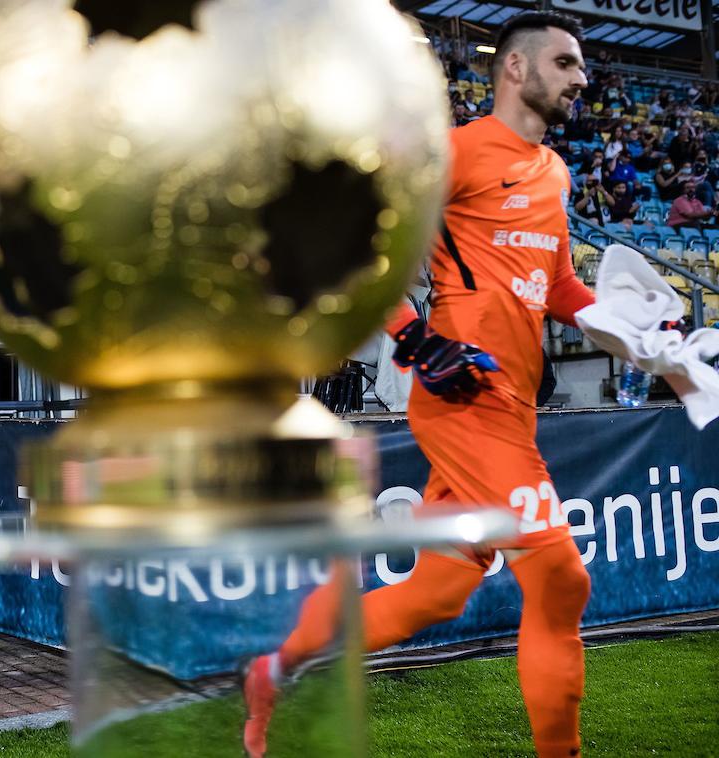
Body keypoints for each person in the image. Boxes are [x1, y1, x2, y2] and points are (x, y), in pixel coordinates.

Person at [243, 13, 596, 758]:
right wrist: (411, 333)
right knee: (561, 579)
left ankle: (275, 668)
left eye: (581, 65)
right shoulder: (458, 153)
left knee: (434, 595)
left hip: (515, 407)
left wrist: (639, 330)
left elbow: (559, 283)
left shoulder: (556, 172)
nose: (581, 78)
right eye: (565, 62)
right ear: (516, 70)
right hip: (464, 402)